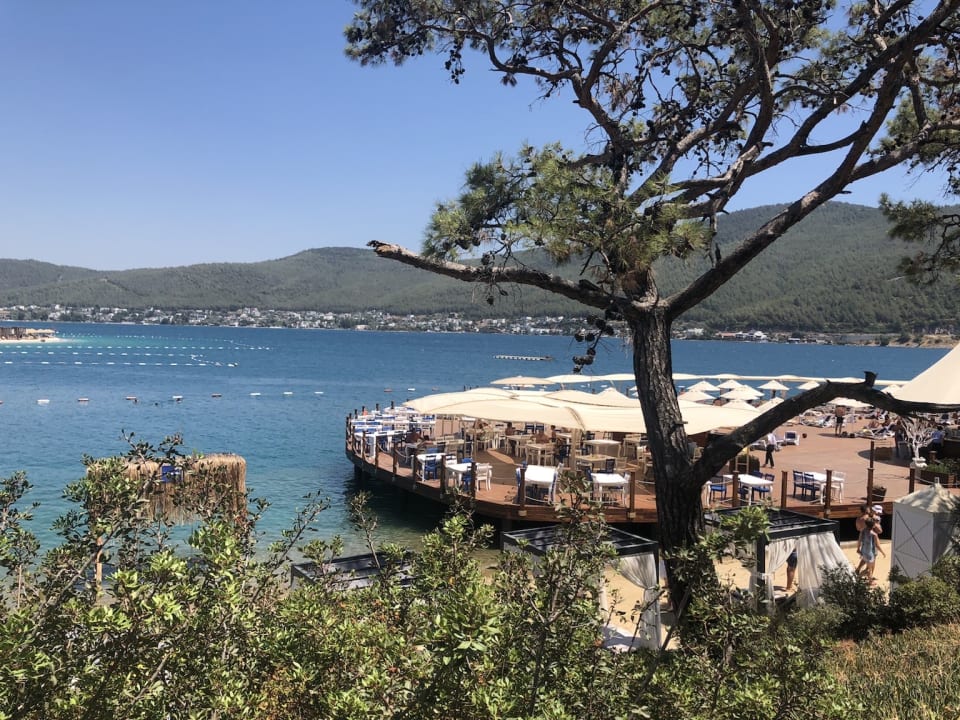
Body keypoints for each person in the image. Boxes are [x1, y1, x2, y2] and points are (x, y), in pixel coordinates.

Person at [857, 517, 885, 583]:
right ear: (873, 525)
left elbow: (859, 540)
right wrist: (883, 552)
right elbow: (877, 545)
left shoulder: (862, 531)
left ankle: (867, 580)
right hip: (870, 553)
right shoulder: (874, 534)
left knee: (868, 568)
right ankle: (868, 581)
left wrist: (858, 548)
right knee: (869, 569)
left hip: (863, 551)